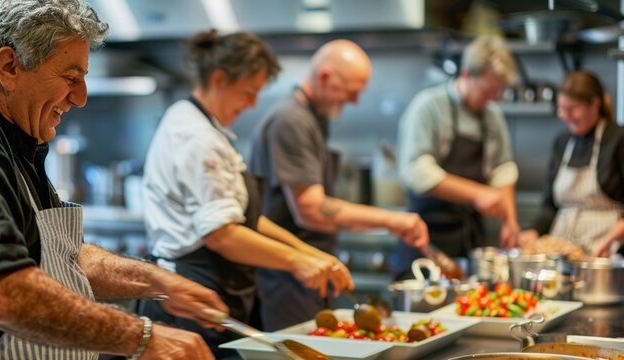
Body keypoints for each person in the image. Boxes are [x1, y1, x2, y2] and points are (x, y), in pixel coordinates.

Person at [0, 1, 228, 359]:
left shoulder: (10, 139)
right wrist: (144, 338)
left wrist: (159, 283)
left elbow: (63, 259)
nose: (80, 97)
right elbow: (1, 295)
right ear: (9, 66)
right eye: (70, 77)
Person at [139, 29, 354, 358]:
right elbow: (221, 235)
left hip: (215, 293)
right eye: (249, 92)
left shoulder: (208, 129)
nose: (252, 103)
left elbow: (244, 220)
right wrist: (296, 262)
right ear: (219, 79)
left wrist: (310, 254)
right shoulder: (195, 136)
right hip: (188, 300)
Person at [249, 39, 429, 331]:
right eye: (351, 92)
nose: (355, 101)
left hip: (310, 270)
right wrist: (391, 220)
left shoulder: (313, 117)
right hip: (287, 277)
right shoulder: (291, 120)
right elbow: (312, 209)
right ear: (325, 77)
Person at [393, 36, 521, 278]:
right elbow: (417, 172)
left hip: (470, 240)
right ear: (465, 74)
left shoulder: (492, 116)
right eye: (487, 90)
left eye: (498, 91)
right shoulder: (428, 107)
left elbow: (503, 169)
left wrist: (510, 222)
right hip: (425, 238)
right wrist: (478, 194)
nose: (493, 98)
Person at [519, 70, 624, 258]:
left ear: (594, 104)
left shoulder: (618, 139)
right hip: (561, 252)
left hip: (605, 252)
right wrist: (532, 231)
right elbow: (550, 206)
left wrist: (610, 240)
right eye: (561, 108)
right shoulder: (562, 142)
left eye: (572, 108)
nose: (564, 115)